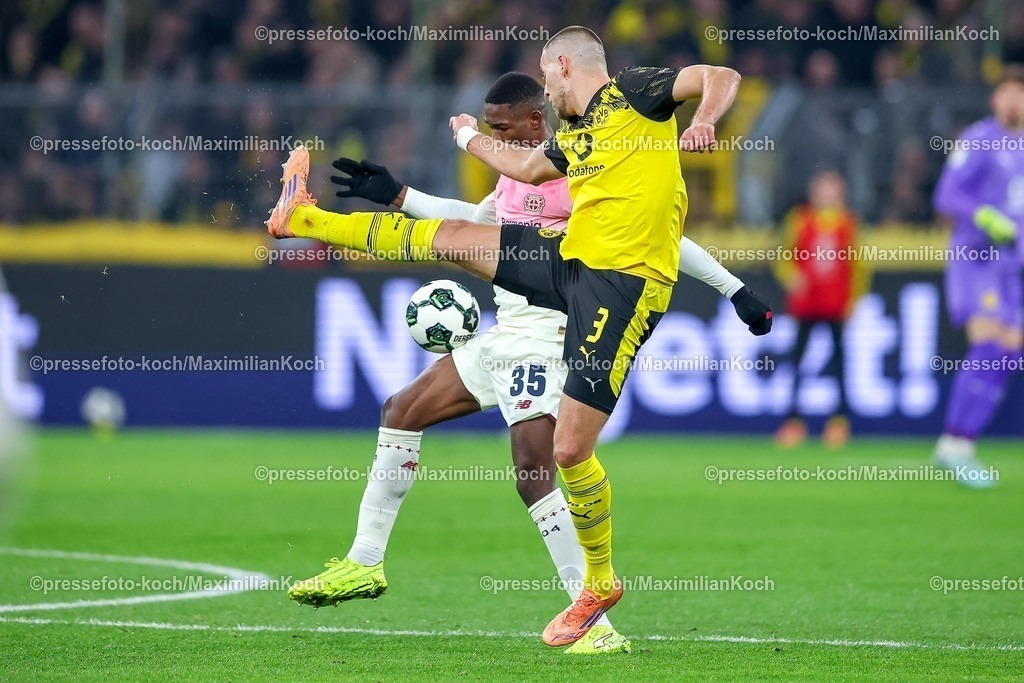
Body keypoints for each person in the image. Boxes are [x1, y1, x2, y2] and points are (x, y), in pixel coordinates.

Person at [266, 26, 759, 646]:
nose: (544, 103)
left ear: (554, 79)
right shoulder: (557, 149)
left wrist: (734, 286)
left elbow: (671, 227)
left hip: (568, 316)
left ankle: (597, 621)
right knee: (403, 406)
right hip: (519, 312)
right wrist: (402, 194)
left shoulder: (617, 122)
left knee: (543, 465)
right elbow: (487, 217)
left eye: (510, 123)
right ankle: (364, 561)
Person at [930, 65, 1024, 488]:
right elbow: (947, 194)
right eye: (1009, 93)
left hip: (1009, 265)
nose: (1015, 102)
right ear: (995, 99)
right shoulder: (979, 138)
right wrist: (984, 215)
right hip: (976, 257)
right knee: (988, 342)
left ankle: (960, 443)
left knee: (1010, 351)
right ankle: (955, 444)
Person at [774, 170, 866, 448]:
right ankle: (793, 421)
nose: (827, 195)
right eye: (823, 189)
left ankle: (839, 421)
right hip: (806, 305)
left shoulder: (848, 223)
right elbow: (783, 257)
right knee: (798, 361)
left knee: (839, 363)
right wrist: (792, 278)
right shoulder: (800, 219)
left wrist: (854, 299)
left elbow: (858, 265)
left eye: (832, 190)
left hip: (835, 304)